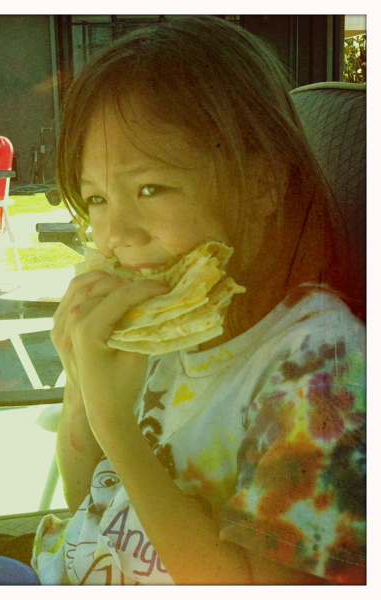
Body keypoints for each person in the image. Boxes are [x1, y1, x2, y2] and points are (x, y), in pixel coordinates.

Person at [31, 16, 365, 585]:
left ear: (260, 186)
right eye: (97, 198)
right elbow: (86, 499)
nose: (114, 237)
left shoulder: (319, 370)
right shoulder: (162, 325)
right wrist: (82, 388)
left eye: (149, 188)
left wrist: (115, 421)